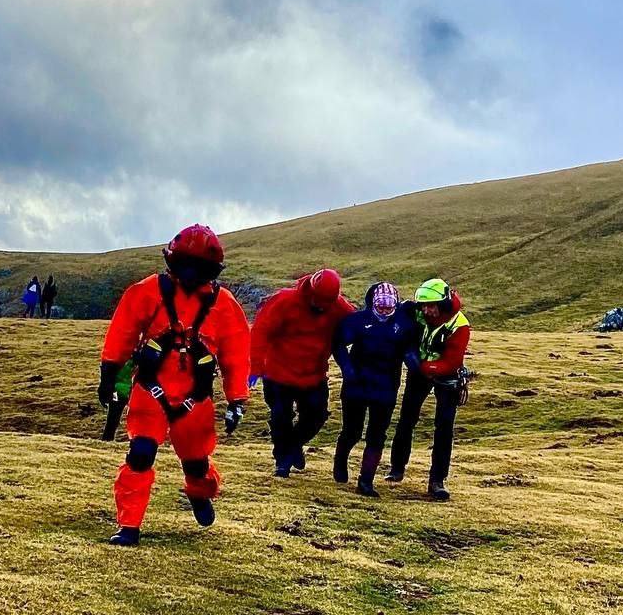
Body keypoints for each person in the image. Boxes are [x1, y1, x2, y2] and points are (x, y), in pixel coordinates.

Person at [97, 224, 250, 547]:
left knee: (196, 464)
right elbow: (122, 332)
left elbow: (236, 355)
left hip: (195, 399)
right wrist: (108, 373)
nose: (191, 274)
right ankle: (129, 526)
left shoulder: (225, 305)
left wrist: (237, 399)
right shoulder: (147, 292)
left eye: (199, 268)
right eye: (186, 265)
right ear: (173, 262)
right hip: (151, 390)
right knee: (140, 453)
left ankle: (199, 491)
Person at [249, 268, 354, 477]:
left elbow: (357, 324)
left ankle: (293, 444)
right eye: (319, 301)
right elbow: (260, 332)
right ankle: (282, 462)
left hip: (313, 375)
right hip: (278, 372)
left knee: (316, 417)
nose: (323, 306)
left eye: (328, 302)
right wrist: (255, 368)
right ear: (311, 292)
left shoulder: (338, 306)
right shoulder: (284, 301)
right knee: (280, 418)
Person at [387, 278, 471, 501]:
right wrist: (407, 349)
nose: (426, 310)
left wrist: (422, 365)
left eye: (431, 305)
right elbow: (399, 315)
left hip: (447, 377)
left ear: (443, 303)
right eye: (423, 305)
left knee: (444, 427)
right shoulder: (415, 311)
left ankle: (437, 481)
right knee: (407, 419)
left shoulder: (459, 325)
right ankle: (396, 468)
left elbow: (452, 362)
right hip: (418, 372)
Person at [332, 282, 419, 497]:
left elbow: (410, 348)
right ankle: (340, 460)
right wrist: (347, 370)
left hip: (386, 387)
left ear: (395, 305)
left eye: (389, 307)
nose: (384, 311)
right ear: (372, 303)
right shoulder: (358, 321)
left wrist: (414, 363)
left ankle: (366, 481)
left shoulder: (404, 324)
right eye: (380, 306)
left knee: (377, 435)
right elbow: (338, 343)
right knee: (352, 430)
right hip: (357, 385)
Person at [101, 361, 135, 442]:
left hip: (118, 392)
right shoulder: (136, 363)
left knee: (113, 418)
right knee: (114, 418)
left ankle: (107, 439)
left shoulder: (124, 361)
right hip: (125, 392)